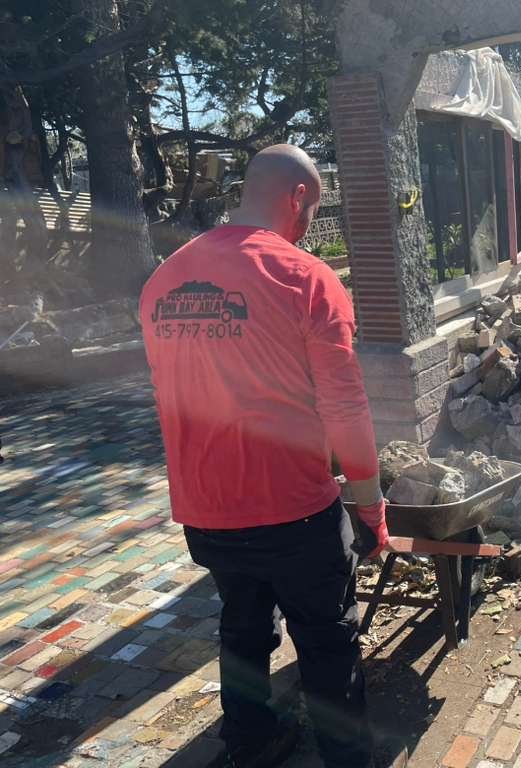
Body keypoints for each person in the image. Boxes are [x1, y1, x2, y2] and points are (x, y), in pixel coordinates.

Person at [140, 144, 389, 768]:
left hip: (205, 513)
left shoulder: (164, 280)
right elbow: (346, 408)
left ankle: (250, 746)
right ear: (297, 197)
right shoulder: (305, 278)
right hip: (294, 513)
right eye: (312, 210)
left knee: (242, 629)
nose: (309, 228)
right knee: (328, 644)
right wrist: (368, 501)